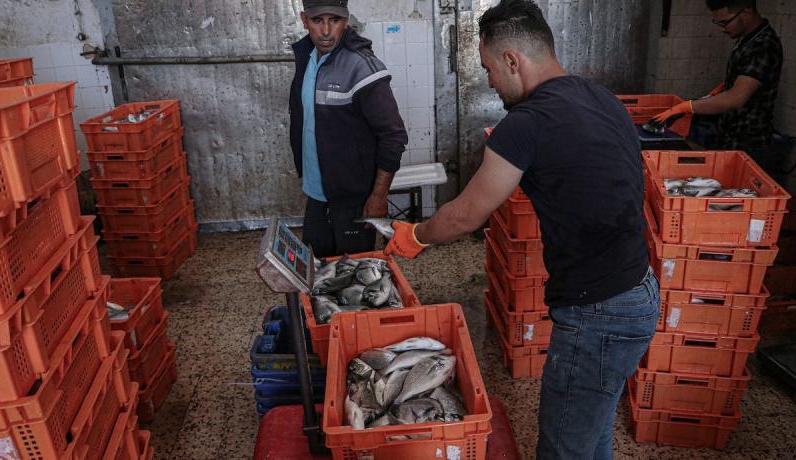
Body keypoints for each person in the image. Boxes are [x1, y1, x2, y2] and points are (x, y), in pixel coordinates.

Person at [384, 1, 659, 458]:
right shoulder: (601, 98)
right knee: (592, 429)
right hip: (639, 290)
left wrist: (415, 235)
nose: (490, 81)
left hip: (598, 310)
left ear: (512, 60)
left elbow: (465, 215)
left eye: (489, 69)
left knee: (564, 445)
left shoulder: (526, 124)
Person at [289, 0, 408, 258]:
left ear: (346, 20)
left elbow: (393, 136)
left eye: (334, 20)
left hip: (354, 198)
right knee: (316, 267)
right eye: (317, 20)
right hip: (316, 193)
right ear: (304, 20)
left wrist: (379, 196)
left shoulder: (362, 67)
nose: (326, 31)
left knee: (353, 272)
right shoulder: (306, 58)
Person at [653, 0, 783, 171]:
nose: (722, 28)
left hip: (749, 143)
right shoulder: (747, 38)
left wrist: (687, 107)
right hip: (729, 134)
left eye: (725, 22)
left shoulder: (763, 46)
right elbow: (747, 79)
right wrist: (721, 89)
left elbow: (736, 98)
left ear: (746, 11)